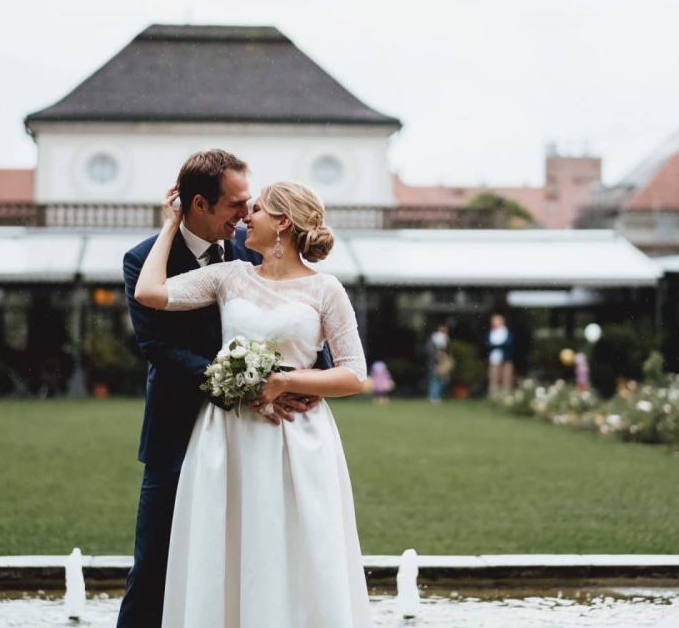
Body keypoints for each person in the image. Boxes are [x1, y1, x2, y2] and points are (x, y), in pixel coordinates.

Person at [134, 180, 371, 627]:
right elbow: (149, 293)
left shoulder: (326, 290)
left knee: (299, 549)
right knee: (228, 547)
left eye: (257, 209)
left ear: (282, 223)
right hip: (228, 437)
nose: (246, 216)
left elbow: (354, 373)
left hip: (300, 442)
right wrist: (170, 224)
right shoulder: (230, 278)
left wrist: (284, 381)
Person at [487, 313, 514, 401]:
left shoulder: (507, 332)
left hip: (505, 358)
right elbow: (488, 344)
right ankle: (494, 397)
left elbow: (508, 344)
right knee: (494, 377)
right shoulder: (491, 333)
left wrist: (497, 346)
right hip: (494, 358)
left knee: (506, 377)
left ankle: (505, 397)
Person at [426, 324, 451, 404]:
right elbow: (431, 352)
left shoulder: (443, 339)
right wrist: (438, 355)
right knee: (435, 380)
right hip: (434, 363)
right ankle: (433, 397)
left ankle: (434, 396)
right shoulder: (435, 339)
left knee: (440, 380)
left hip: (438, 364)